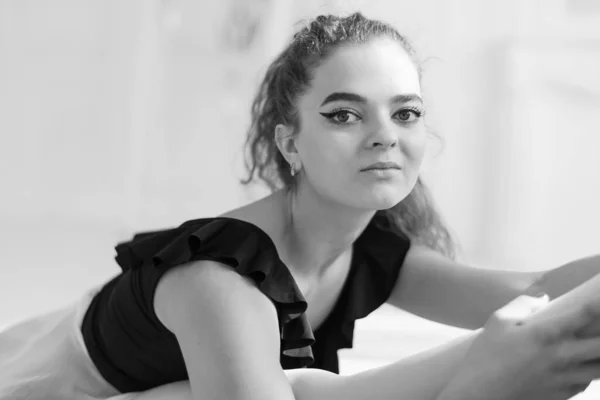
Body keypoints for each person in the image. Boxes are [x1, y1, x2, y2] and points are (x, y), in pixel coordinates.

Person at [1, 12, 600, 400]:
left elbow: (537, 290)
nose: (384, 135)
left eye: (406, 112)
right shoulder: (219, 281)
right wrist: (482, 374)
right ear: (291, 142)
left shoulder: (365, 251)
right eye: (344, 114)